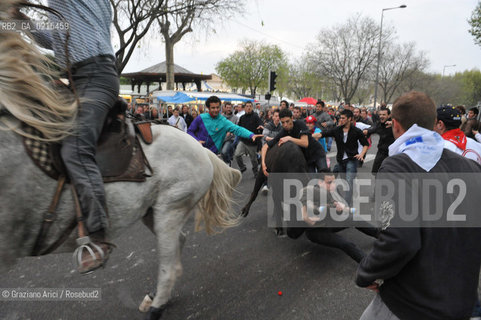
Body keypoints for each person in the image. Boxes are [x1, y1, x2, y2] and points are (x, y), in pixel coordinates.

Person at [356, 91, 481, 320]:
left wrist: (367, 272)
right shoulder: (471, 167)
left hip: (411, 304)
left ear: (395, 125)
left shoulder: (397, 167)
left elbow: (399, 238)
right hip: (461, 302)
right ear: (434, 123)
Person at [17, 0, 120, 273]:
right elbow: (56, 40)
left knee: (75, 149)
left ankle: (99, 235)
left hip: (95, 78)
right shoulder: (71, 12)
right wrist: (23, 20)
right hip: (77, 78)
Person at [318, 109, 369, 206]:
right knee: (331, 180)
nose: (340, 120)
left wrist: (361, 154)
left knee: (349, 182)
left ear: (350, 119)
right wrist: (311, 136)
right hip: (340, 161)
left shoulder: (357, 131)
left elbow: (365, 144)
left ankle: (346, 205)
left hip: (351, 160)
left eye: (343, 118)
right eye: (340, 118)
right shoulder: (337, 130)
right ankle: (338, 199)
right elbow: (323, 134)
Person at [187, 96, 262, 158]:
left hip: (213, 155)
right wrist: (196, 141)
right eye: (213, 108)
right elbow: (190, 131)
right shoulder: (201, 118)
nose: (216, 110)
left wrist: (251, 135)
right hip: (198, 152)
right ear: (208, 108)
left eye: (217, 107)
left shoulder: (223, 121)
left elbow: (237, 129)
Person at [261, 109, 327, 176]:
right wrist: (263, 163)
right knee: (311, 181)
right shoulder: (283, 132)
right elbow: (265, 146)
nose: (285, 125)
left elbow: (305, 143)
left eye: (287, 121)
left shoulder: (300, 124)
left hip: (317, 153)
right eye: (283, 122)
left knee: (324, 175)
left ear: (292, 118)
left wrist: (289, 138)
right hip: (306, 158)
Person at [234, 101, 264, 177]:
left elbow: (260, 123)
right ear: (244, 108)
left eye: (250, 106)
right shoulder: (242, 118)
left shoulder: (255, 116)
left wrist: (261, 126)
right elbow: (238, 128)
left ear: (252, 107)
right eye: (247, 106)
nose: (248, 108)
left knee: (253, 160)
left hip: (252, 142)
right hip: (243, 141)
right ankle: (242, 167)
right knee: (237, 155)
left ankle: (255, 172)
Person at [363, 107, 395, 175]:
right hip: (381, 153)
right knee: (376, 173)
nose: (381, 116)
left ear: (389, 115)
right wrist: (366, 131)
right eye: (380, 114)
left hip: (392, 154)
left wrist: (394, 124)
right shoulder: (379, 124)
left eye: (384, 114)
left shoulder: (394, 124)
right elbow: (372, 128)